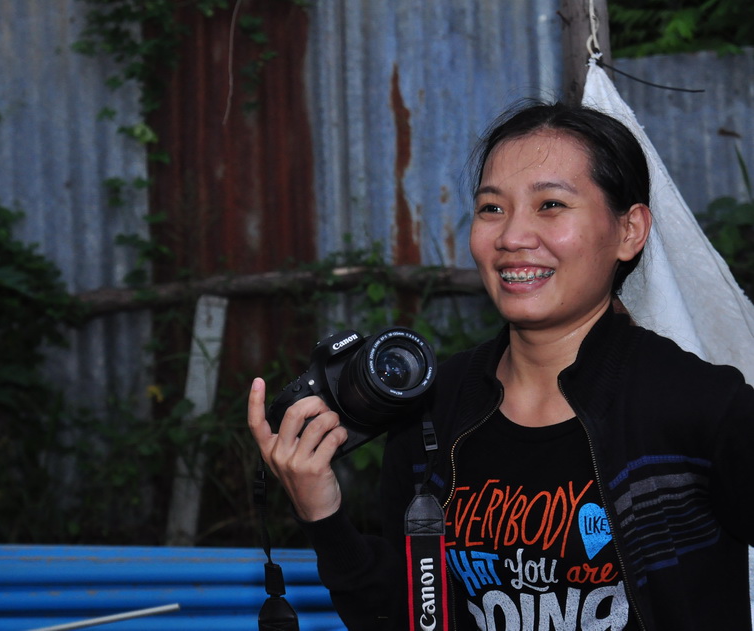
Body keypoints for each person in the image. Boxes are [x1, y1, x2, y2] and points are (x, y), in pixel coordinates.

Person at [247, 100, 754, 630]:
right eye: (491, 208)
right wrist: (322, 514)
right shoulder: (433, 409)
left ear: (629, 231)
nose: (512, 237)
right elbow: (404, 615)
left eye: (550, 204)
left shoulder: (701, 407)